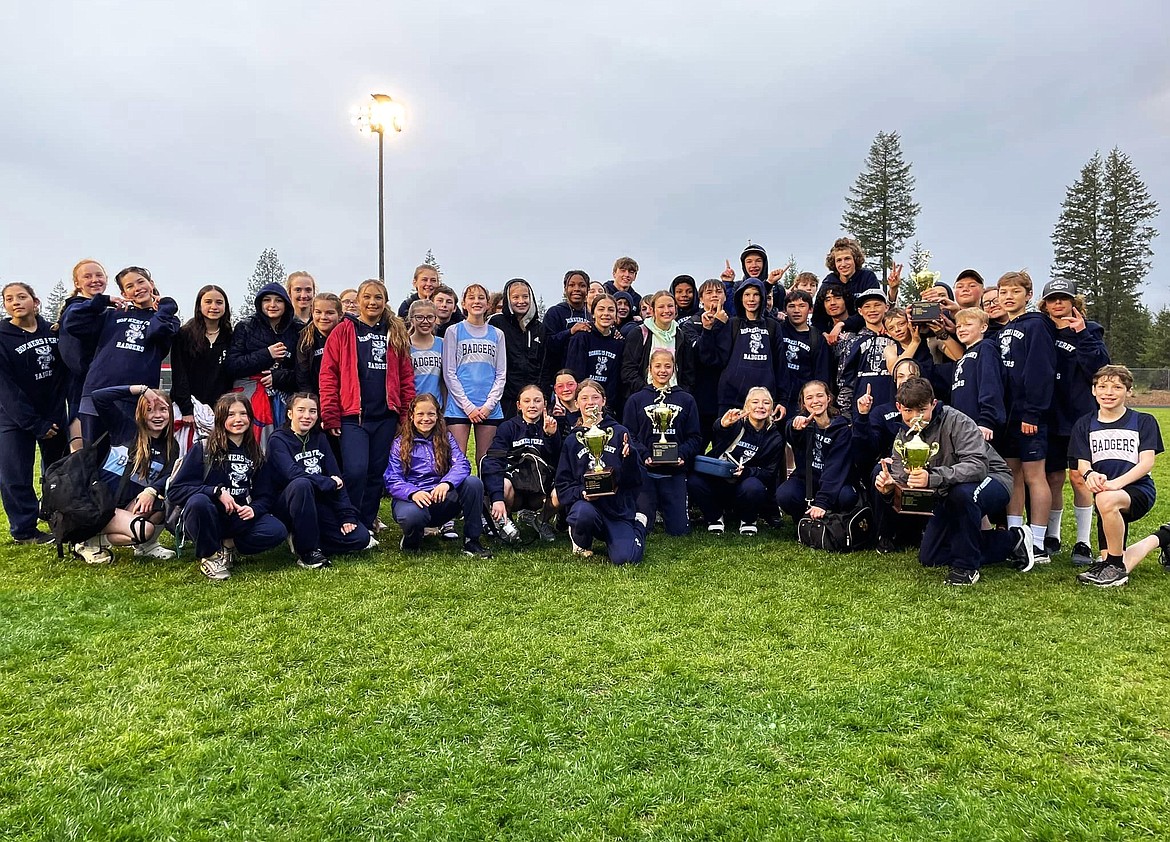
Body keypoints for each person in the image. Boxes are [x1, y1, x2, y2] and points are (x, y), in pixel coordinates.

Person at [874, 377, 1034, 585]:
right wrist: (889, 488)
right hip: (948, 492)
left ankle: (966, 567)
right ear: (899, 407)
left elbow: (978, 466)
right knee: (931, 557)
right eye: (908, 411)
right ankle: (1013, 541)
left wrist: (932, 478)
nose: (915, 417)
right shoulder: (903, 435)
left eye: (922, 410)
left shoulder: (957, 421)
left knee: (963, 494)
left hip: (992, 478)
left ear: (933, 403)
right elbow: (902, 477)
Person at [319, 278, 414, 532]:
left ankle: (367, 521)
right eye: (367, 297)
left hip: (385, 416)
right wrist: (330, 414)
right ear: (358, 301)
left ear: (385, 302)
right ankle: (348, 518)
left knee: (375, 472)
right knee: (355, 470)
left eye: (378, 298)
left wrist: (405, 416)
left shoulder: (395, 333)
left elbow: (406, 377)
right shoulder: (343, 330)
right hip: (353, 417)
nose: (372, 302)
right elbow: (328, 374)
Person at [168, 394, 288, 581]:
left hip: (237, 517)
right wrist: (215, 491)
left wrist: (253, 509)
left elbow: (265, 495)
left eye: (243, 413)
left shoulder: (255, 452)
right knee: (199, 502)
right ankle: (209, 556)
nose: (238, 420)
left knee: (276, 530)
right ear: (221, 418)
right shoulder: (203, 449)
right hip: (207, 515)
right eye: (231, 414)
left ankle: (228, 545)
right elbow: (176, 490)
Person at [63, 266, 180, 444]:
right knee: (92, 457)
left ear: (151, 284)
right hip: (97, 392)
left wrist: (166, 305)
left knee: (125, 457)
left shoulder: (167, 319)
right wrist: (103, 301)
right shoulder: (111, 315)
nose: (137, 288)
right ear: (124, 294)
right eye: (130, 286)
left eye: (141, 282)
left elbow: (156, 332)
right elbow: (72, 322)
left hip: (135, 399)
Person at [1070, 365, 1163, 587]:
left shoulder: (1143, 421)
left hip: (1136, 491)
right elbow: (1082, 463)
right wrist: (1090, 474)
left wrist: (1116, 484)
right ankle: (1163, 537)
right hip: (1106, 495)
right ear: (1093, 391)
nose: (1108, 392)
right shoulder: (1084, 424)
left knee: (1105, 499)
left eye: (1117, 387)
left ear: (1128, 392)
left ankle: (1113, 566)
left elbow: (1147, 462)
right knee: (1117, 561)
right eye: (1102, 387)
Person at [1039, 279, 1110, 565]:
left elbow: (1099, 368)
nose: (1058, 304)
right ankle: (1052, 535)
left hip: (1080, 416)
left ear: (1073, 302)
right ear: (1044, 304)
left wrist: (1081, 334)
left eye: (1063, 299)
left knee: (1080, 478)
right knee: (1053, 477)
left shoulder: (1089, 329)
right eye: (1053, 299)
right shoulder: (1041, 330)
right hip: (1050, 415)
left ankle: (1083, 541)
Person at [267, 393, 372, 569]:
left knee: (361, 538)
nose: (307, 416)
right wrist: (327, 482)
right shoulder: (278, 440)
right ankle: (307, 552)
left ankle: (305, 538)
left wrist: (347, 515)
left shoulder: (320, 438)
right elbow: (293, 474)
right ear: (290, 413)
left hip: (320, 505)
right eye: (301, 410)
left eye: (313, 411)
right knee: (302, 484)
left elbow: (336, 476)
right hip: (289, 504)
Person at [996, 270, 1057, 563]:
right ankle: (1015, 536)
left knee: (1035, 476)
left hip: (1029, 415)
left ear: (1028, 296)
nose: (1008, 297)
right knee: (1012, 475)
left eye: (1015, 292)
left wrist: (1033, 411)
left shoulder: (1037, 325)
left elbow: (1041, 370)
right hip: (1008, 418)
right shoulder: (1005, 328)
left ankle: (1039, 542)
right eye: (1003, 292)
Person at [0, 282, 68, 545]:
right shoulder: (3, 335)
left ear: (35, 301)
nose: (15, 302)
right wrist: (33, 422)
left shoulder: (53, 330)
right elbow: (5, 387)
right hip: (14, 417)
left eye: (21, 297)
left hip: (52, 414)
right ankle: (24, 530)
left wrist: (52, 416)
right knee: (15, 474)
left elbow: (61, 376)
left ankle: (54, 516)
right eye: (9, 299)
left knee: (57, 471)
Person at [384, 394, 492, 557]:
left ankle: (472, 540)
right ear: (412, 416)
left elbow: (462, 464)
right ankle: (412, 539)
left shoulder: (446, 438)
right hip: (412, 502)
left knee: (473, 483)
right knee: (412, 516)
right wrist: (413, 493)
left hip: (441, 500)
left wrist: (446, 483)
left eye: (431, 414)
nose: (425, 418)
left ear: (438, 415)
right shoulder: (399, 443)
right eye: (420, 414)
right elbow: (392, 479)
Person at [554, 379, 647, 563]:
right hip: (588, 507)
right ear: (577, 402)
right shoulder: (573, 440)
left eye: (595, 397)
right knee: (581, 515)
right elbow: (563, 485)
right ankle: (582, 540)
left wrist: (629, 459)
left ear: (603, 401)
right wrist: (582, 493)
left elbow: (636, 479)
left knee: (626, 559)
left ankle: (638, 525)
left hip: (617, 509)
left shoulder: (619, 432)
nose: (590, 402)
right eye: (584, 398)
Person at [86, 384, 181, 562]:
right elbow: (99, 396)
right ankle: (88, 541)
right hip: (99, 506)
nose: (158, 415)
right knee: (145, 530)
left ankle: (146, 547)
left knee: (162, 505)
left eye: (163, 409)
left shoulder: (171, 446)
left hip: (126, 507)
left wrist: (150, 491)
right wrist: (140, 390)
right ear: (141, 413)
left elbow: (169, 476)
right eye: (150, 410)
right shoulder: (125, 429)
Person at [622, 349, 701, 536]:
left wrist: (681, 454)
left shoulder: (686, 400)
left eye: (668, 366)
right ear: (649, 368)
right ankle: (650, 507)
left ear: (674, 369)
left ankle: (669, 508)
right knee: (643, 528)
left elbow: (695, 437)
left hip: (674, 472)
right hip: (645, 473)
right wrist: (645, 455)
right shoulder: (636, 400)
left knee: (679, 530)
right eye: (657, 366)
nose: (662, 370)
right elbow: (629, 435)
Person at [689, 387, 784, 535]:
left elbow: (769, 473)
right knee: (695, 481)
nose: (760, 406)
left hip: (745, 486)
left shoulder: (775, 438)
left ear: (771, 410)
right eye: (755, 402)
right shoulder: (735, 422)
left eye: (766, 403)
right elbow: (718, 430)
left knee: (754, 487)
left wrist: (746, 472)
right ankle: (714, 517)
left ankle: (748, 520)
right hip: (720, 480)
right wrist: (723, 424)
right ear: (746, 406)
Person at [481, 384, 563, 542]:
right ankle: (505, 521)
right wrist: (497, 498)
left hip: (540, 491)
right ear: (519, 405)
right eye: (527, 401)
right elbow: (493, 460)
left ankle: (542, 520)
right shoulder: (508, 427)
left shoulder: (552, 426)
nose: (532, 405)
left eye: (537, 401)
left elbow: (558, 461)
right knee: (503, 485)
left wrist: (551, 437)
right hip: (515, 490)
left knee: (563, 488)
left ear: (544, 404)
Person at [224, 282, 302, 447]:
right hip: (250, 394)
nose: (272, 305)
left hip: (285, 396)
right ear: (260, 303)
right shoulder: (245, 327)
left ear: (286, 304)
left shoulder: (297, 329)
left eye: (278, 301)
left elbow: (303, 371)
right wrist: (266, 354)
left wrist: (278, 377)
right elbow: (232, 365)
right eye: (267, 300)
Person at [698, 276, 788, 416]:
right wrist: (708, 330)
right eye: (747, 295)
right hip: (731, 399)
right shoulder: (732, 324)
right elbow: (713, 359)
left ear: (763, 297)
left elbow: (780, 364)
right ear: (740, 298)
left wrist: (782, 399)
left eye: (756, 294)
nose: (751, 299)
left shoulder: (773, 326)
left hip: (762, 401)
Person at [775, 381, 857, 527]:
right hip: (807, 480)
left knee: (848, 497)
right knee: (785, 494)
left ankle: (834, 521)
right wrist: (795, 427)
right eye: (809, 397)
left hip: (835, 482)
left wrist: (822, 502)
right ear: (803, 403)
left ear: (828, 398)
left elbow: (835, 468)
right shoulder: (802, 423)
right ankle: (803, 521)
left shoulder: (842, 429)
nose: (815, 401)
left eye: (820, 396)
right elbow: (791, 434)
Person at [442, 283, 507, 460]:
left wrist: (489, 405)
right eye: (471, 298)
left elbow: (501, 374)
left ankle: (485, 489)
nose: (476, 301)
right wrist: (467, 406)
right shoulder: (454, 331)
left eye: (481, 298)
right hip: (459, 406)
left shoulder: (497, 334)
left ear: (487, 304)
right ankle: (457, 489)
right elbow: (449, 373)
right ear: (463, 303)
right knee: (457, 459)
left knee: (485, 459)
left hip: (489, 407)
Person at [57, 259, 109, 451]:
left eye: (99, 275)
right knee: (82, 447)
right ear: (77, 284)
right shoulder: (76, 308)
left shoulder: (106, 312)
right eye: (87, 276)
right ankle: (76, 473)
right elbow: (73, 322)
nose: (94, 280)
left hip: (104, 384)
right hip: (81, 385)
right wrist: (104, 301)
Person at [942, 308, 1006, 447]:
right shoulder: (962, 358)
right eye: (958, 326)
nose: (961, 329)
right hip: (963, 428)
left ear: (983, 327)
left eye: (968, 324)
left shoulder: (986, 348)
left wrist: (987, 420)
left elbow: (990, 385)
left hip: (982, 427)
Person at [172, 285, 234, 428]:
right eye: (208, 302)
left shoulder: (231, 337)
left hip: (221, 410)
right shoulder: (184, 334)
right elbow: (179, 374)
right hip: (188, 412)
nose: (214, 306)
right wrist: (187, 410)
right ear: (199, 306)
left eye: (219, 302)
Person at [489, 278, 547, 419]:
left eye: (525, 296)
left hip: (531, 398)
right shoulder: (496, 323)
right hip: (505, 397)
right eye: (515, 297)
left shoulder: (539, 328)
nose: (521, 301)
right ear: (508, 299)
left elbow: (544, 363)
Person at [621, 290, 694, 398]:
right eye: (661, 307)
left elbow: (688, 373)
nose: (666, 310)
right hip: (644, 397)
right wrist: (646, 391)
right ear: (652, 310)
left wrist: (680, 394)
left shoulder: (682, 337)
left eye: (670, 306)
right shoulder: (639, 334)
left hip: (674, 398)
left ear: (675, 309)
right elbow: (628, 370)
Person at [836, 288, 894, 420]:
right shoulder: (852, 342)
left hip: (895, 411)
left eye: (877, 305)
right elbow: (845, 382)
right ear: (860, 311)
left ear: (886, 307)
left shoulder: (898, 339)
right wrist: (846, 415)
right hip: (862, 413)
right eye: (867, 306)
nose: (872, 310)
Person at [565, 294, 625, 413]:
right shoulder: (581, 338)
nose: (606, 313)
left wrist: (607, 406)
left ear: (616, 315)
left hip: (606, 406)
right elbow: (574, 374)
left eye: (611, 310)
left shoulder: (619, 343)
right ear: (593, 313)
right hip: (583, 404)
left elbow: (615, 380)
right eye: (601, 309)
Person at [819, 237, 885, 338]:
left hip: (865, 331)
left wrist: (843, 324)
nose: (843, 264)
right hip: (834, 334)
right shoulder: (828, 282)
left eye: (847, 259)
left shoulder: (867, 277)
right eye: (839, 260)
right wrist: (825, 334)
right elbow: (818, 317)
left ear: (855, 259)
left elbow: (874, 308)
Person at [779, 289, 830, 414]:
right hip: (778, 397)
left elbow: (822, 375)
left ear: (810, 309)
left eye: (802, 306)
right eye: (791, 306)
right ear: (785, 310)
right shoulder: (777, 330)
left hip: (803, 401)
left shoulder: (817, 338)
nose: (796, 310)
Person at [542, 270, 592, 388]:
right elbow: (547, 343)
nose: (577, 289)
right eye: (572, 285)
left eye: (582, 285)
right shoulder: (554, 312)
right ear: (565, 289)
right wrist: (570, 332)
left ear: (587, 289)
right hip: (558, 379)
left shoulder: (592, 315)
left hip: (585, 379)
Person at [718, 243, 790, 318]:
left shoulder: (778, 289)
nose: (754, 265)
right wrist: (727, 283)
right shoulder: (737, 287)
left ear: (764, 263)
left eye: (758, 261)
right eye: (749, 261)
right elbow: (732, 311)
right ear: (744, 265)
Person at [294, 292, 342, 394]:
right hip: (316, 397)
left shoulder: (347, 337)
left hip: (343, 396)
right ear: (312, 313)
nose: (323, 317)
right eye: (318, 312)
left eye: (329, 313)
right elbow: (303, 376)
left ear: (340, 315)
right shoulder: (305, 340)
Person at [408, 299, 444, 401]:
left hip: (436, 408)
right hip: (413, 407)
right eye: (419, 317)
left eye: (430, 317)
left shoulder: (442, 344)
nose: (425, 321)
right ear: (411, 320)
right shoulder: (405, 345)